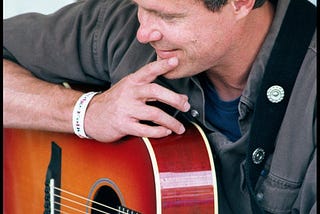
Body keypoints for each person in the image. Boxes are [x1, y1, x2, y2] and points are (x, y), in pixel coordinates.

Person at [3, 0, 316, 213]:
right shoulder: (122, 25)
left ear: (241, 3)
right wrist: (85, 111)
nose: (143, 32)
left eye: (168, 17)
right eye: (139, 6)